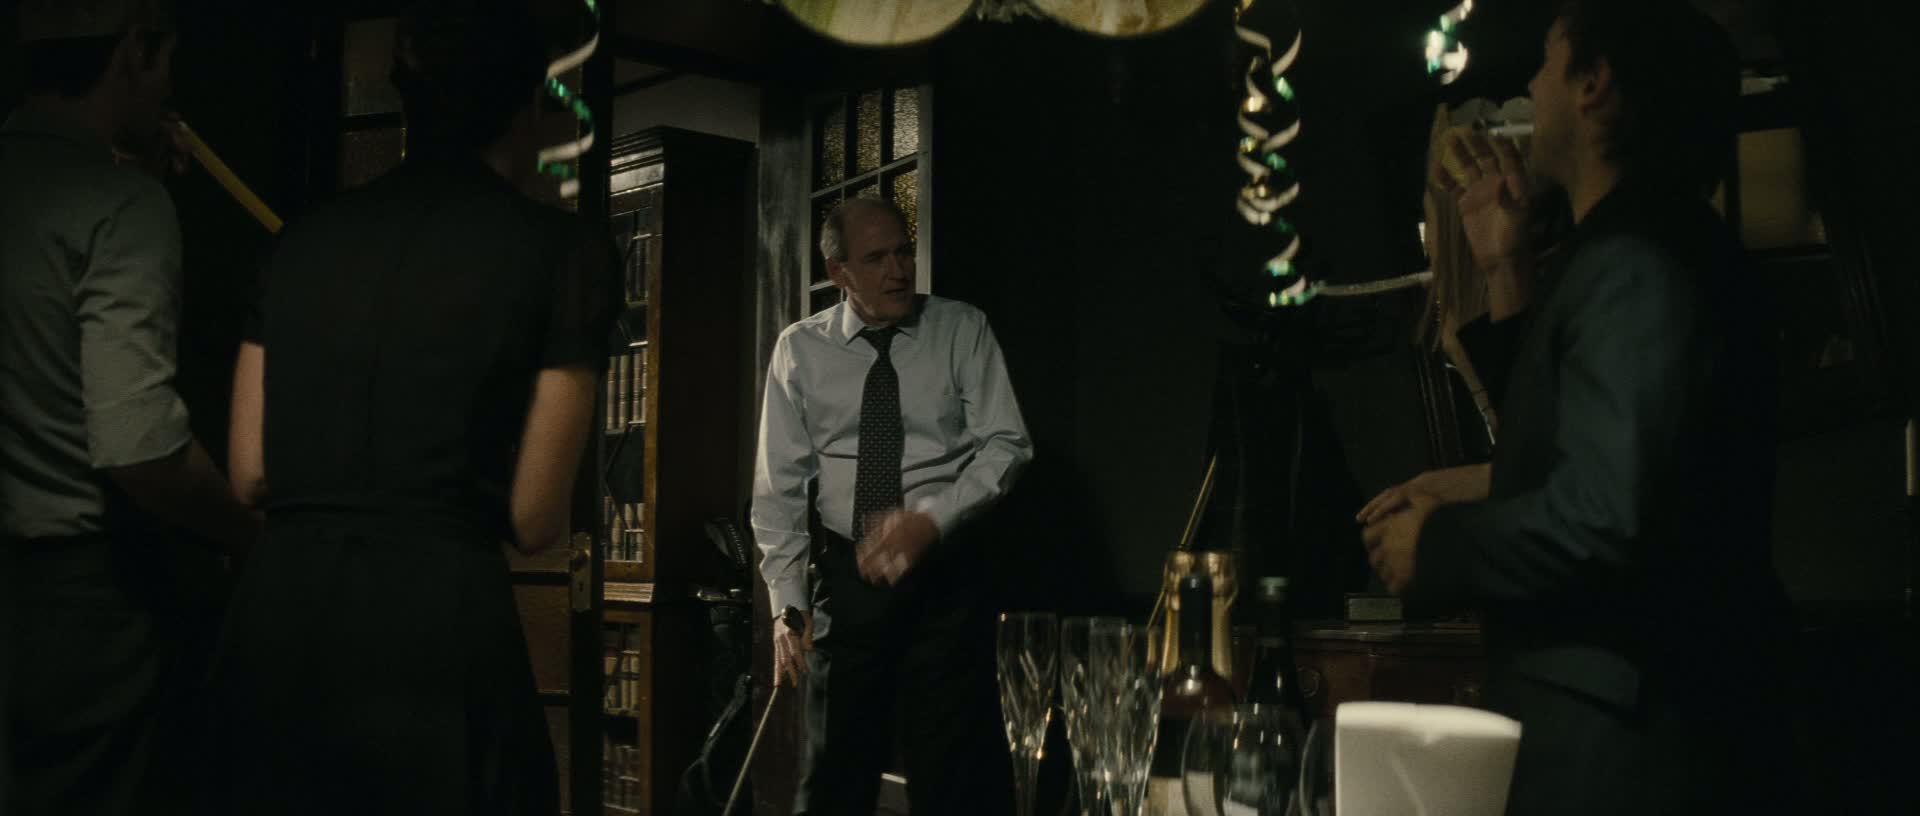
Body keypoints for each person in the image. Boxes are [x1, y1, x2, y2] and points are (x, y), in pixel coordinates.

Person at [1357, 2, 1800, 813]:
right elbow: (1557, 443)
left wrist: (1438, 545)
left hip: (1629, 753)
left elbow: (1604, 515)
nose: (1531, 85)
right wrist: (1505, 266)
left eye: (1546, 61)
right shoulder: (1638, 248)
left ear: (1594, 86)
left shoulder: (1636, 261)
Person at [207, 1, 617, 813]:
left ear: (406, 100)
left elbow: (249, 472)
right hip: (437, 633)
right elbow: (537, 517)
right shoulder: (562, 252)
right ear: (528, 105)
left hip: (278, 625)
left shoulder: (300, 242)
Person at [2, 2, 259, 813]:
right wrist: (249, 534)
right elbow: (138, 446)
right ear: (132, 51)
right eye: (167, 58)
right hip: (77, 606)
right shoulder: (118, 208)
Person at [753, 197, 1034, 815]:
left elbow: (1007, 444)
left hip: (948, 578)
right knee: (833, 779)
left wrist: (930, 520)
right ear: (839, 272)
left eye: (903, 252)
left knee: (953, 783)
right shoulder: (800, 350)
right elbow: (779, 486)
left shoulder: (961, 329)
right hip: (848, 577)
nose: (898, 270)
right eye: (876, 258)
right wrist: (786, 605)